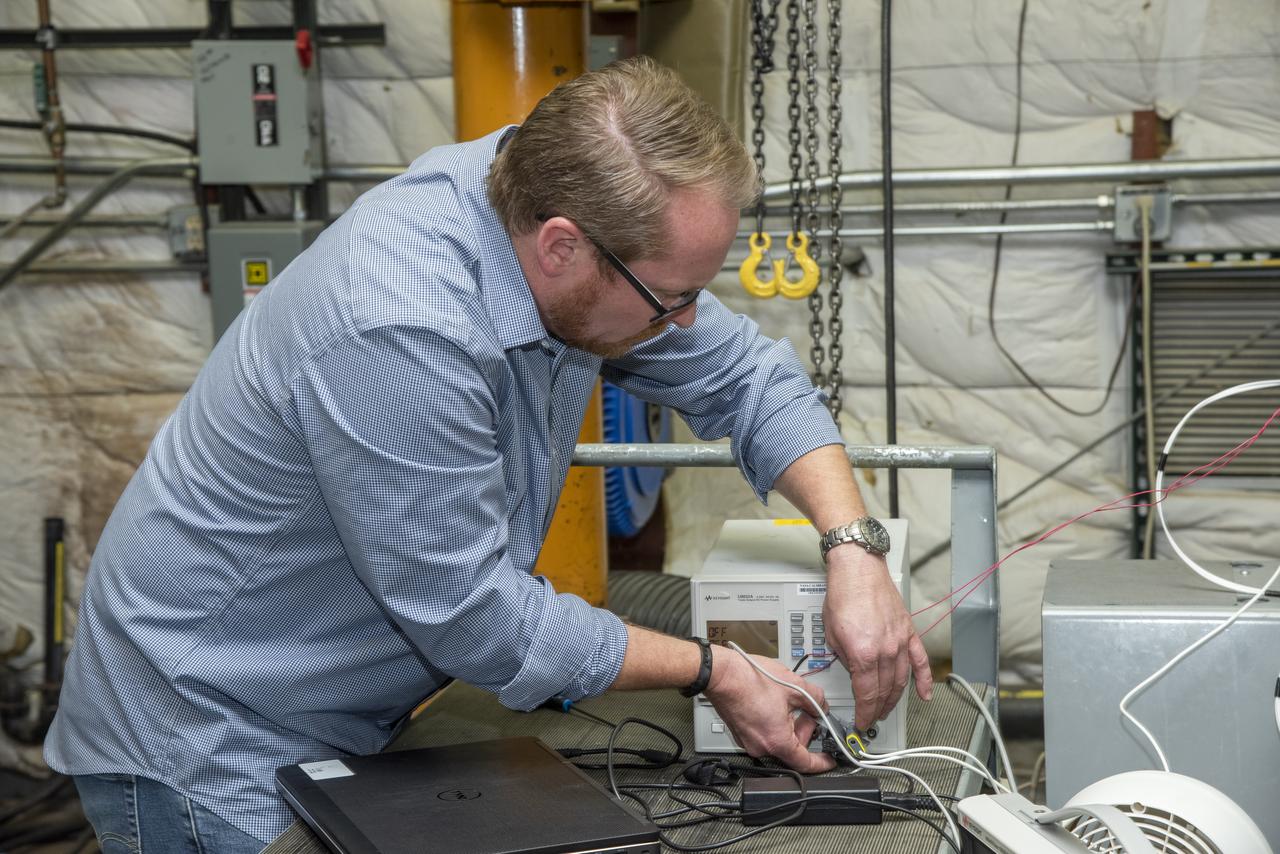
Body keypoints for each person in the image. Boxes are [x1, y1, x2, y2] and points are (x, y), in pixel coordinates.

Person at [45, 56, 931, 851]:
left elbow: (745, 377)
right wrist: (715, 668)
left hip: (345, 703)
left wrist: (852, 549)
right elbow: (474, 615)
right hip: (210, 733)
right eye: (672, 297)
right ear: (561, 247)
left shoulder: (549, 203)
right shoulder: (399, 324)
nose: (687, 322)